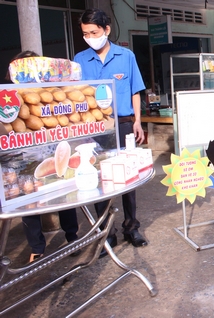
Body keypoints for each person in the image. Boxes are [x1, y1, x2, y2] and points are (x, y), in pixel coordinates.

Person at [74, 9, 147, 256]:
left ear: (107, 30)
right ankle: (106, 232)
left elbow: (136, 91)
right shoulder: (80, 60)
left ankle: (131, 227)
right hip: (94, 128)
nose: (90, 37)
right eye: (85, 33)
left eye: (94, 32)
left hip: (124, 123)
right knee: (98, 180)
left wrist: (137, 121)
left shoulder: (126, 56)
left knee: (127, 178)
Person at [5, 50, 80, 263]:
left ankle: (72, 237)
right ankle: (37, 247)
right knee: (29, 202)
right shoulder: (11, 97)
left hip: (51, 150)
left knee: (65, 195)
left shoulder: (51, 93)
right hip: (25, 158)